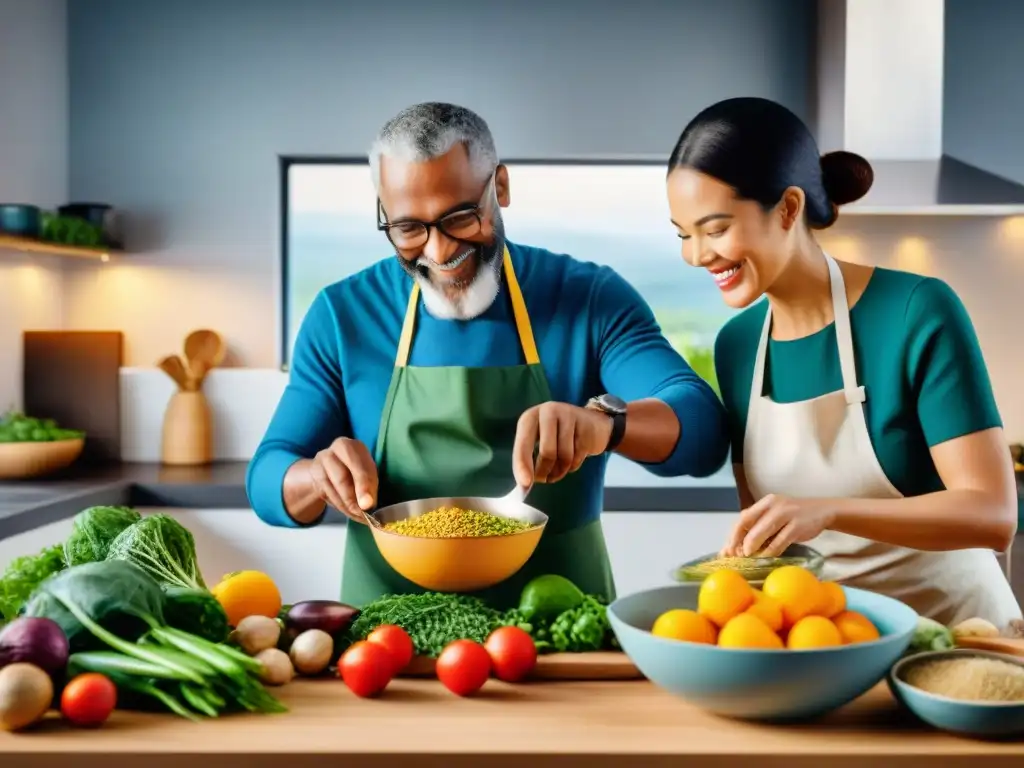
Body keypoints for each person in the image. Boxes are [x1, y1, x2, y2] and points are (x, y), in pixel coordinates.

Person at [247, 102, 730, 608]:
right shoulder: (343, 315)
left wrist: (605, 426)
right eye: (408, 228)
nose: (438, 253)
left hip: (559, 628)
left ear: (499, 186)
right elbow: (266, 476)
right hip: (387, 643)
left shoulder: (588, 297)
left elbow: (700, 429)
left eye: (459, 217)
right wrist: (314, 478)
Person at [663, 95, 1021, 629]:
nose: (697, 255)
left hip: (962, 640)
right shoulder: (738, 347)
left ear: (788, 208)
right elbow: (767, 537)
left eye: (714, 229)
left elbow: (993, 516)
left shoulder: (915, 310)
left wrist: (827, 509)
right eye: (683, 235)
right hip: (833, 646)